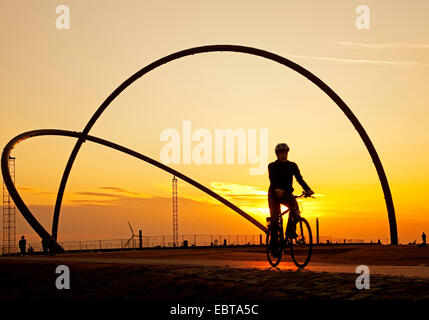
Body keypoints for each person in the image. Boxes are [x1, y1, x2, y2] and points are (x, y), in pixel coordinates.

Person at [268, 143, 314, 255]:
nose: (284, 155)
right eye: (281, 153)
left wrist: (308, 189)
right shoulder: (272, 166)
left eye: (285, 153)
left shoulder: (292, 165)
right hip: (274, 195)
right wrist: (277, 189)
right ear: (277, 155)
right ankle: (274, 246)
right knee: (275, 220)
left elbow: (299, 178)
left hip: (286, 194)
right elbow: (272, 180)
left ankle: (290, 232)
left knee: (294, 206)